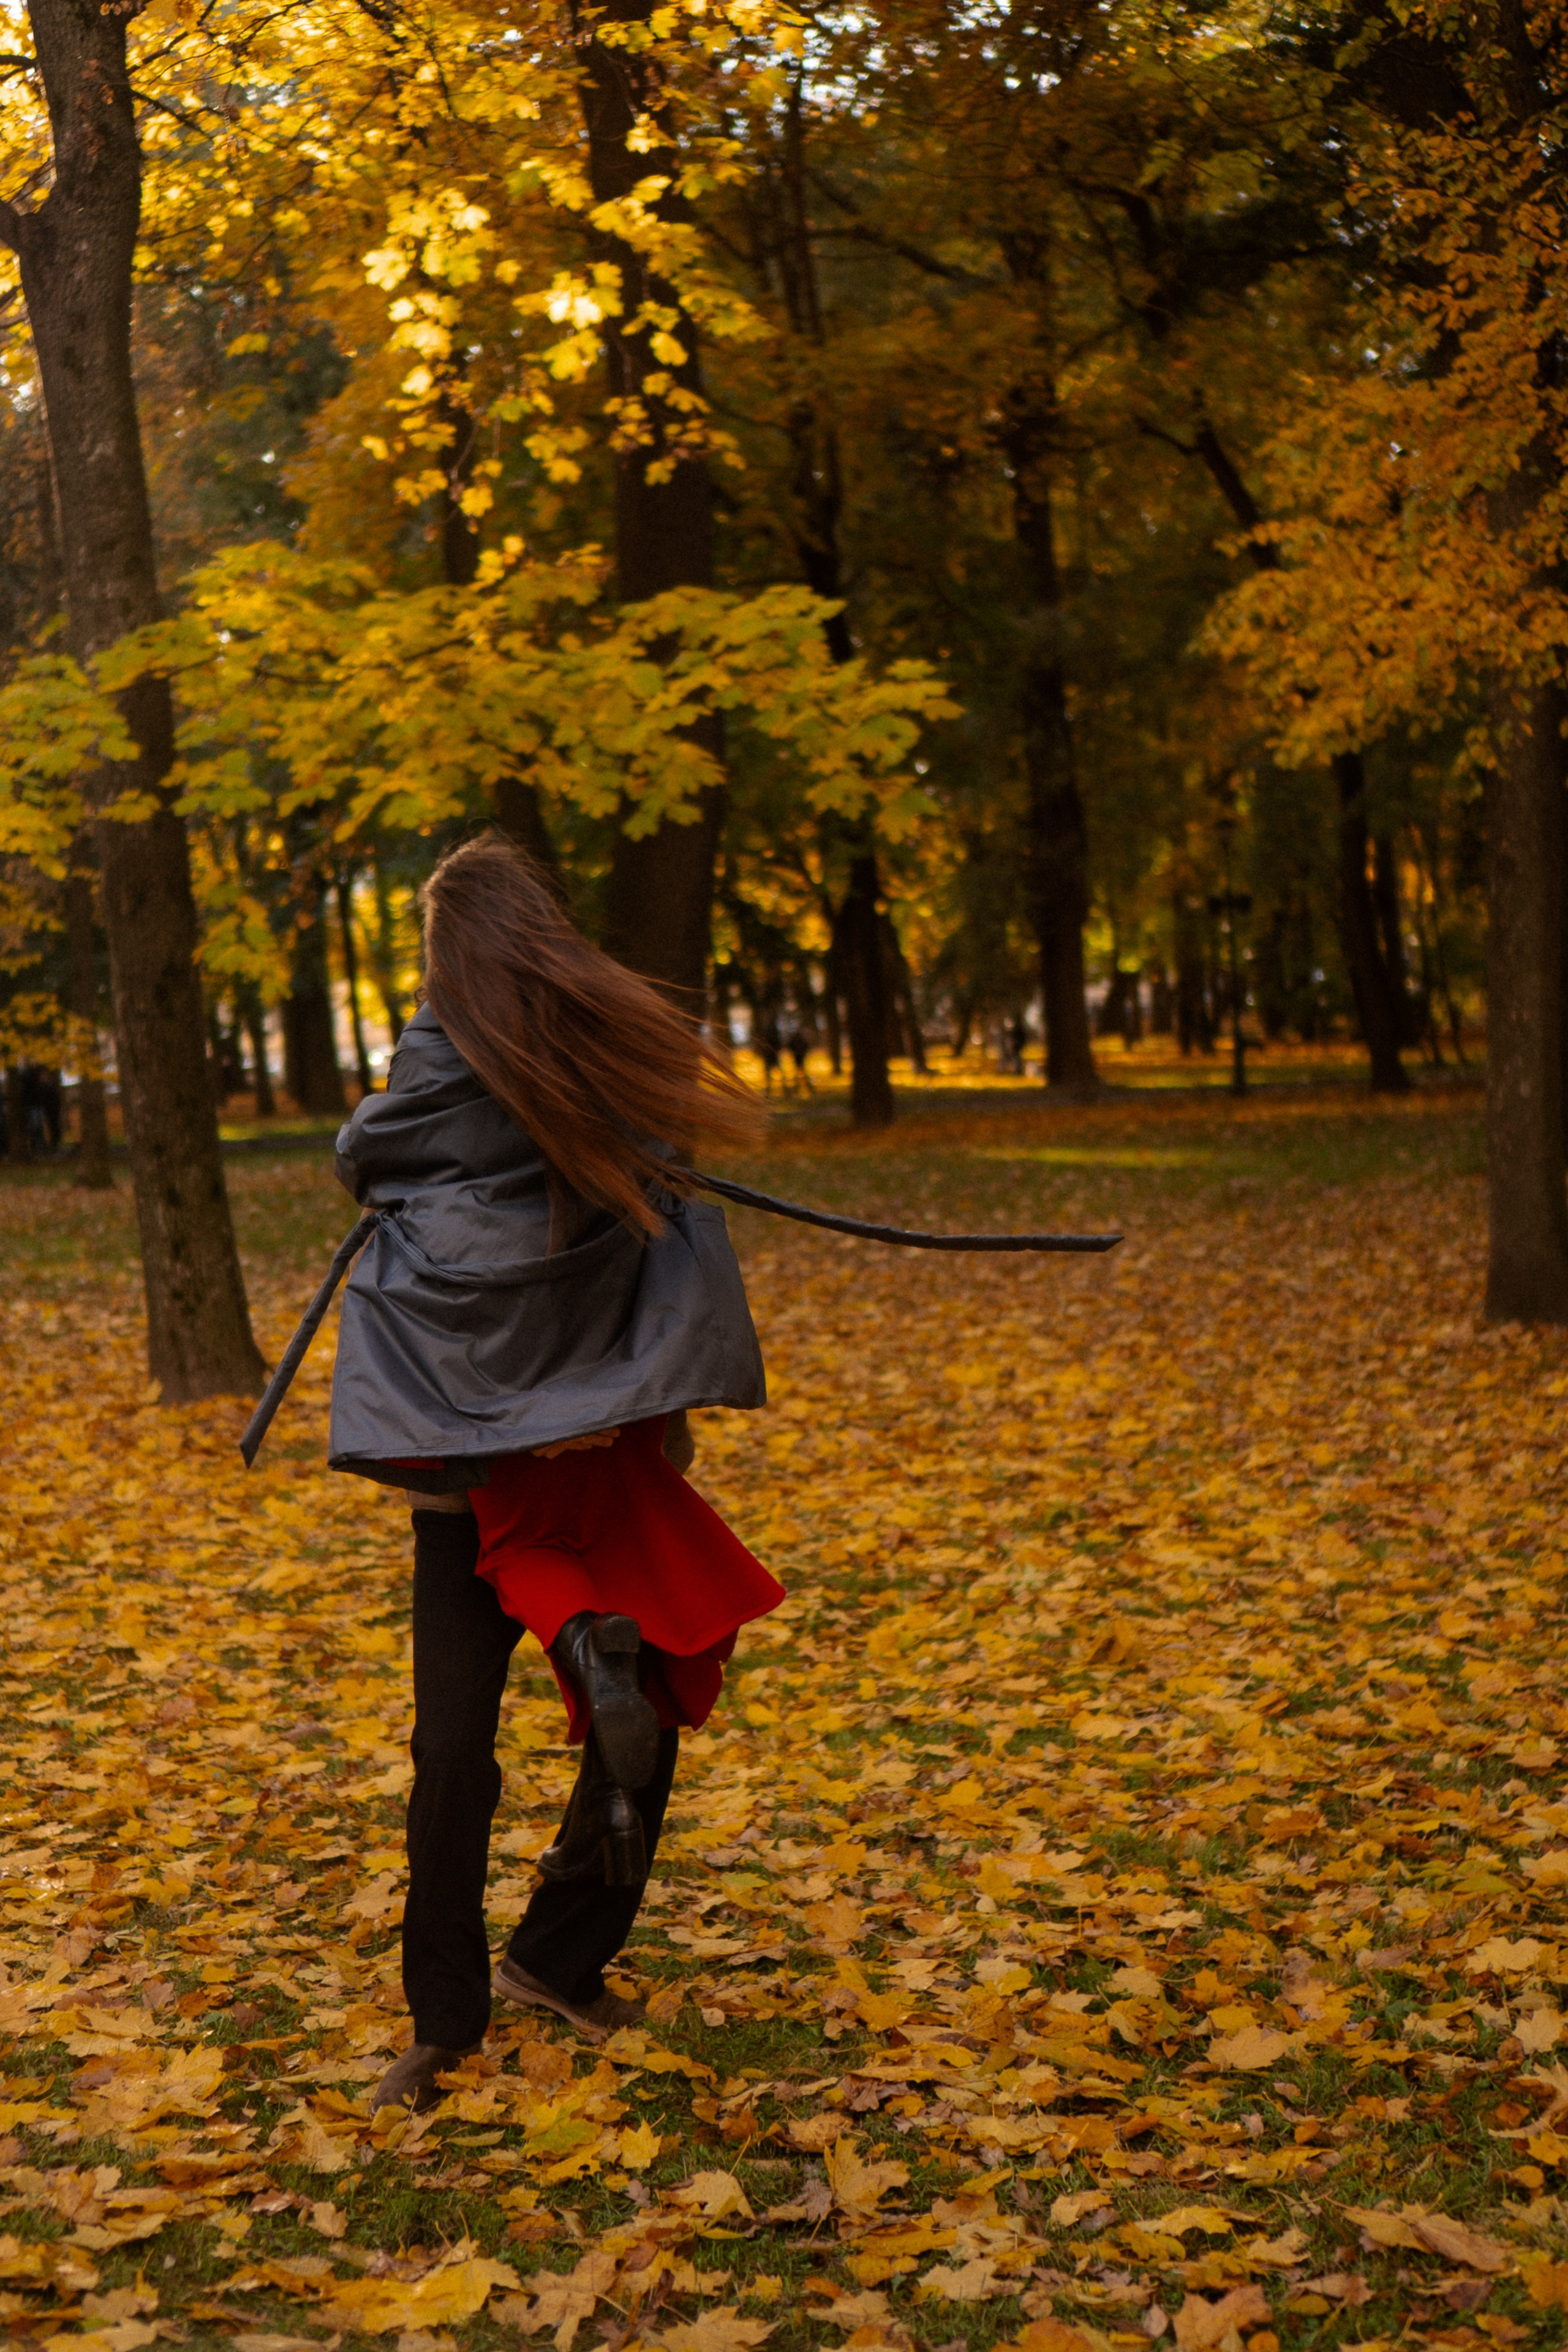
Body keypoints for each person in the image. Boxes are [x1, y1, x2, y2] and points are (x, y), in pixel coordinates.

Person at [327, 836, 783, 2112]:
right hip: (593, 1447)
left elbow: (360, 1164)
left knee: (456, 1750)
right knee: (664, 1662)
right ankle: (558, 1956)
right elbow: (679, 1227)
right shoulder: (602, 1056)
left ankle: (457, 2020)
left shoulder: (433, 1067)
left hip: (467, 1461)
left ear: (442, 953)